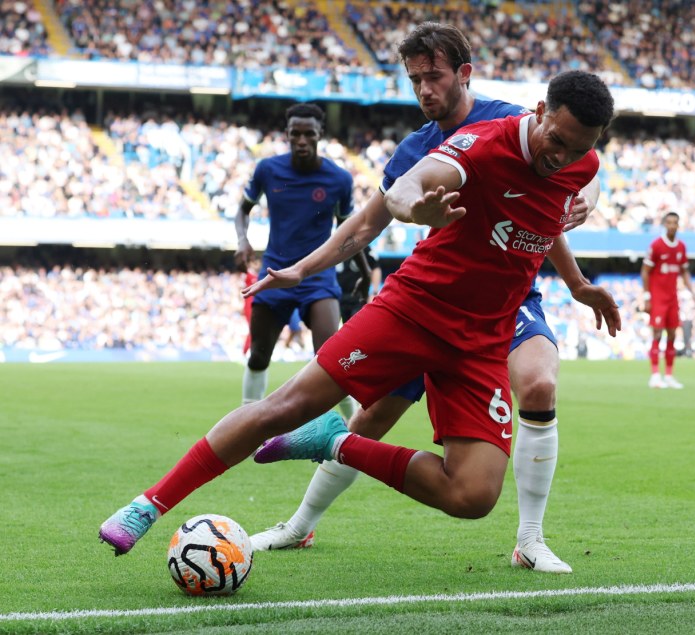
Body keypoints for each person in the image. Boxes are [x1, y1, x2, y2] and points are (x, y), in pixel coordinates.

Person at [98, 70, 620, 567]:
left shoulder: (581, 163)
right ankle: (149, 504)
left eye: (579, 147)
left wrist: (577, 285)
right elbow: (401, 192)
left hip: (482, 340)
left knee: (473, 495)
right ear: (539, 112)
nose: (564, 156)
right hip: (414, 312)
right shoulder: (483, 143)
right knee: (285, 406)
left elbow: (544, 217)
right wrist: (423, 211)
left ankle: (334, 442)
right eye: (558, 140)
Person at [245, 23, 602, 573]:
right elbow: (365, 225)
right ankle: (300, 524)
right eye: (415, 80)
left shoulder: (515, 121)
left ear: (463, 73)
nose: (424, 90)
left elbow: (576, 165)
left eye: (433, 77)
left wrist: (587, 202)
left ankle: (530, 539)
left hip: (508, 299)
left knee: (539, 382)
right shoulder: (415, 149)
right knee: (369, 421)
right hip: (433, 303)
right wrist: (301, 268)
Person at [234, 102, 354, 413]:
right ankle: (247, 422)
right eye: (295, 134)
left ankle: (356, 430)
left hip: (318, 276)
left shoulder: (339, 179)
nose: (301, 140)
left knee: (330, 360)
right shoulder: (268, 170)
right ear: (287, 135)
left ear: (320, 134)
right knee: (259, 355)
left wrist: (364, 270)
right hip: (275, 274)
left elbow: (349, 230)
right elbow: (243, 210)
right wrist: (243, 239)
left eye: (308, 134)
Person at [641, 211, 695, 389]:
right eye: (669, 222)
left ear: (678, 225)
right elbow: (645, 271)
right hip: (658, 298)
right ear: (664, 224)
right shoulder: (656, 245)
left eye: (675, 223)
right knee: (657, 333)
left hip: (673, 298)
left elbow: (684, 270)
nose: (672, 225)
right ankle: (655, 375)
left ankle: (670, 375)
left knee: (672, 335)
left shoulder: (681, 247)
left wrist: (691, 289)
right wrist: (647, 296)